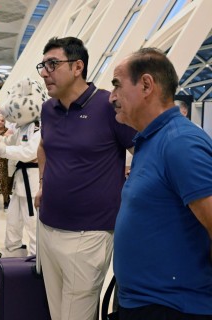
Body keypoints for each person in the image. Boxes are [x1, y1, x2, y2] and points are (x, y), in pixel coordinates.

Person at [34, 37, 136, 320]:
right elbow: (44, 147)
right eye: (42, 65)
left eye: (52, 64)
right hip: (48, 226)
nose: (45, 72)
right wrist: (43, 183)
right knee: (57, 313)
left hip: (90, 233)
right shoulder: (48, 109)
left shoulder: (107, 105)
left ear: (78, 66)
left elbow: (141, 150)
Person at [111, 48, 212, 320]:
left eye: (117, 86)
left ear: (146, 85)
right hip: (145, 303)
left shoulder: (180, 143)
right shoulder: (151, 140)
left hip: (173, 307)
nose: (112, 96)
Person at [0, 78, 48, 257]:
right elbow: (8, 141)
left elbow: (30, 152)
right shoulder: (23, 126)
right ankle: (11, 251)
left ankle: (35, 259)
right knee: (13, 221)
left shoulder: (40, 126)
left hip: (32, 182)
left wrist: (4, 150)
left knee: (32, 224)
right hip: (19, 182)